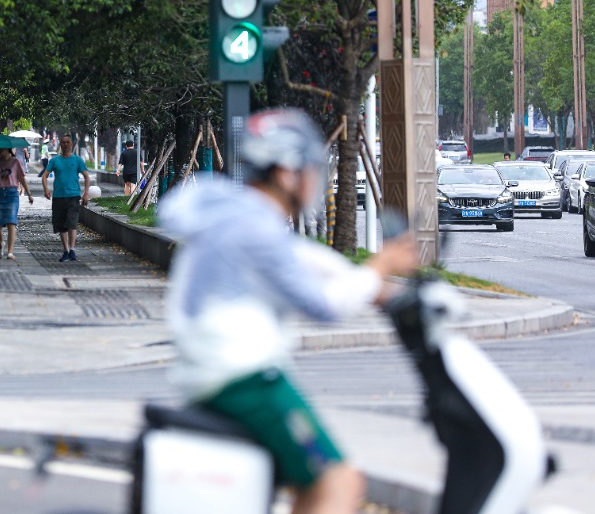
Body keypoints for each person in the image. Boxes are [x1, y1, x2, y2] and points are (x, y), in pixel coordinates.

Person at [158, 108, 419, 514]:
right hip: (244, 380)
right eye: (313, 169)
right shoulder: (258, 228)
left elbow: (300, 259)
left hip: (212, 372)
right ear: (286, 174)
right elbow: (322, 306)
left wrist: (372, 286)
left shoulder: (237, 215)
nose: (318, 179)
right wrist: (378, 268)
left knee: (308, 487)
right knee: (339, 481)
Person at [42, 134, 90, 262]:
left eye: (68, 142)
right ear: (60, 144)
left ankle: (72, 250)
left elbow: (86, 176)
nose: (65, 144)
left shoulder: (77, 160)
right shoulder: (54, 161)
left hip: (73, 196)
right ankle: (66, 250)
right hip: (58, 196)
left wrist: (86, 193)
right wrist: (46, 189)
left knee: (72, 223)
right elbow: (44, 175)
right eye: (63, 142)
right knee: (61, 225)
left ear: (72, 144)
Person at [0, 147, 34, 260]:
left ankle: (10, 252)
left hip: (12, 193)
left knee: (11, 222)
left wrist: (29, 194)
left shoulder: (15, 162)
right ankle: (1, 244)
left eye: (2, 149)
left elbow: (22, 178)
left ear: (8, 149)